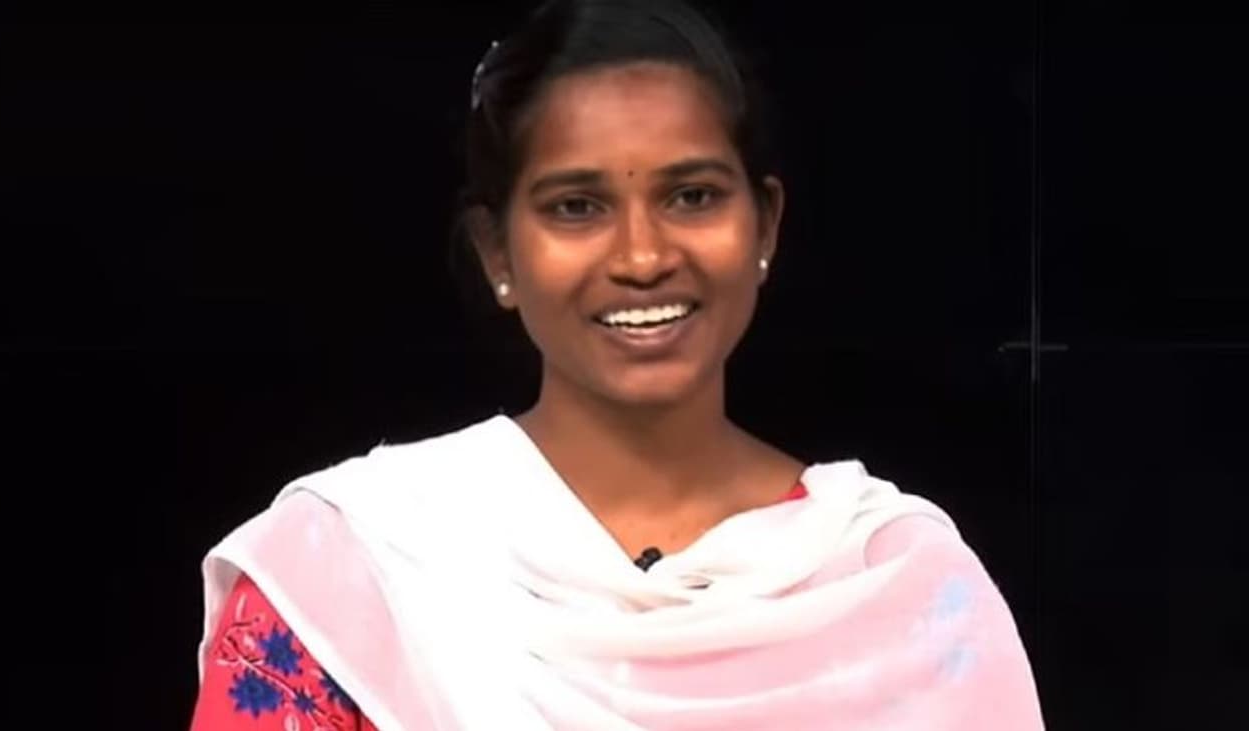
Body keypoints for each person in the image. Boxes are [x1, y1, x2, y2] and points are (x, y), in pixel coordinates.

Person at [189, 0, 1045, 728]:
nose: (642, 256)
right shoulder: (356, 568)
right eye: (576, 206)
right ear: (497, 251)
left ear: (766, 225)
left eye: (692, 196)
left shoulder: (900, 588)